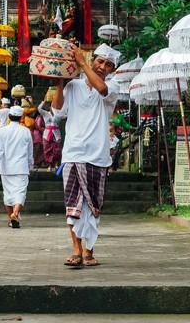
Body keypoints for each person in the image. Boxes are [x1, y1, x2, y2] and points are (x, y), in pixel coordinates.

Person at [52, 43, 121, 267]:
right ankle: (76, 249)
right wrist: (59, 82)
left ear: (112, 70)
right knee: (73, 204)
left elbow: (101, 88)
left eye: (108, 64)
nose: (103, 67)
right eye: (100, 61)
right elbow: (57, 111)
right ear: (94, 61)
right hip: (73, 152)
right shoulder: (74, 86)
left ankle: (89, 251)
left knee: (93, 205)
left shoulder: (113, 86)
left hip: (98, 155)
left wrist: (81, 63)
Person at [0, 105, 34, 229]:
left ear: (9, 117)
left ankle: (12, 218)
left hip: (6, 168)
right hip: (21, 168)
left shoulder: (2, 131)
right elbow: (30, 151)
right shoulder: (25, 131)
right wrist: (31, 165)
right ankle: (14, 214)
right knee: (20, 193)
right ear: (21, 118)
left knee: (8, 195)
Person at [38, 100, 62, 171]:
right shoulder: (45, 113)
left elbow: (65, 115)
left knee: (57, 149)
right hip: (47, 133)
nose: (53, 108)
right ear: (49, 107)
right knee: (47, 149)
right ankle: (49, 165)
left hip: (56, 133)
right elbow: (39, 109)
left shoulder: (58, 114)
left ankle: (56, 164)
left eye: (54, 106)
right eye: (52, 106)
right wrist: (43, 101)